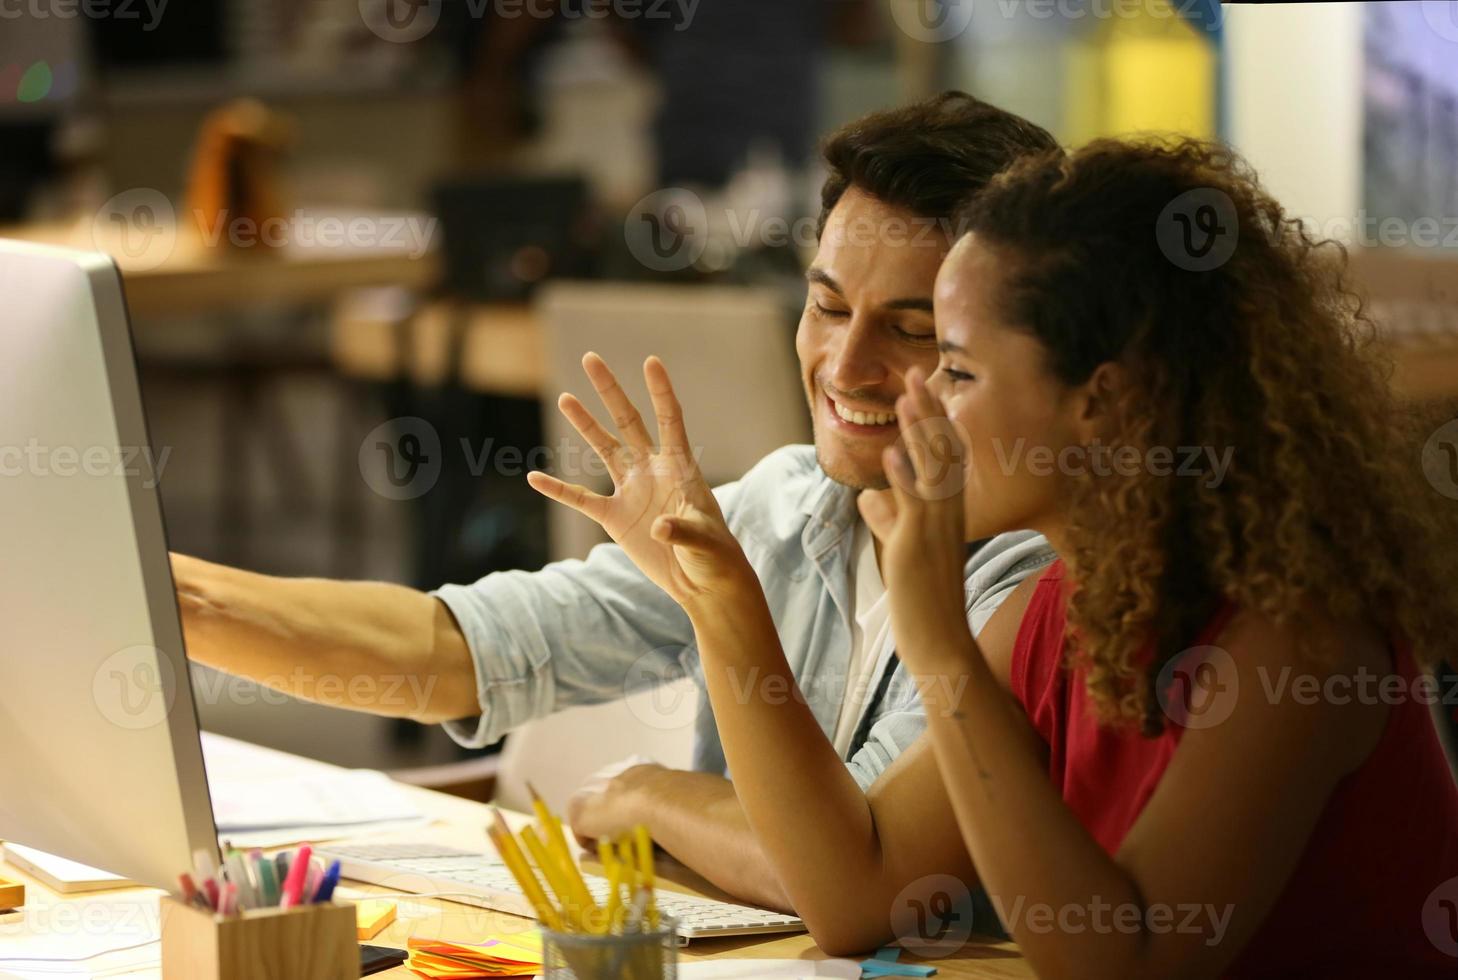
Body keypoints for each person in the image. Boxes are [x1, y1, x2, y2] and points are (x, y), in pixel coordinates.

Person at [532, 138, 1458, 973]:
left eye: (958, 368)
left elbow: (1125, 966)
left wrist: (935, 642)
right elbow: (858, 893)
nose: (917, 396)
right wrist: (721, 598)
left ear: (1103, 403)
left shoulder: (1294, 638)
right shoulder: (1054, 610)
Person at [171, 92, 1059, 911]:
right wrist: (180, 605)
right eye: (825, 308)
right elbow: (466, 649)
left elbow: (860, 872)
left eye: (909, 332)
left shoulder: (1033, 578)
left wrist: (651, 792)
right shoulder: (792, 504)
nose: (847, 364)